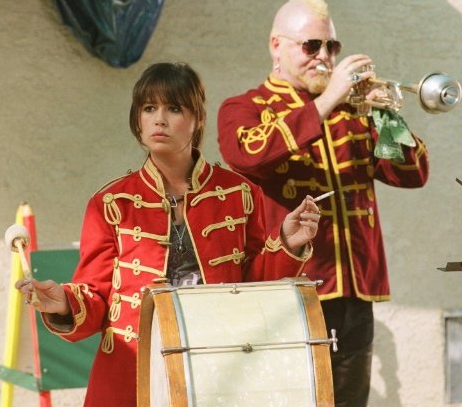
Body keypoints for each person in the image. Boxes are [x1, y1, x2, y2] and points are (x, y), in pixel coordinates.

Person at [16, 62, 321, 407]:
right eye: (149, 108)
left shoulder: (240, 193)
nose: (159, 119)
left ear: (198, 118)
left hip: (218, 366)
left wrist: (288, 243)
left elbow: (253, 290)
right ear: (137, 119)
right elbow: (97, 296)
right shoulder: (110, 203)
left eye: (174, 108)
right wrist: (64, 303)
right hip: (131, 372)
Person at [217, 0, 429, 406]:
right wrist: (328, 99)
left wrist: (386, 117)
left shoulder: (353, 114)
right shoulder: (246, 107)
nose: (324, 57)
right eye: (311, 45)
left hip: (355, 293)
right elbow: (247, 154)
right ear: (276, 46)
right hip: (288, 295)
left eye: (332, 47)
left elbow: (413, 174)